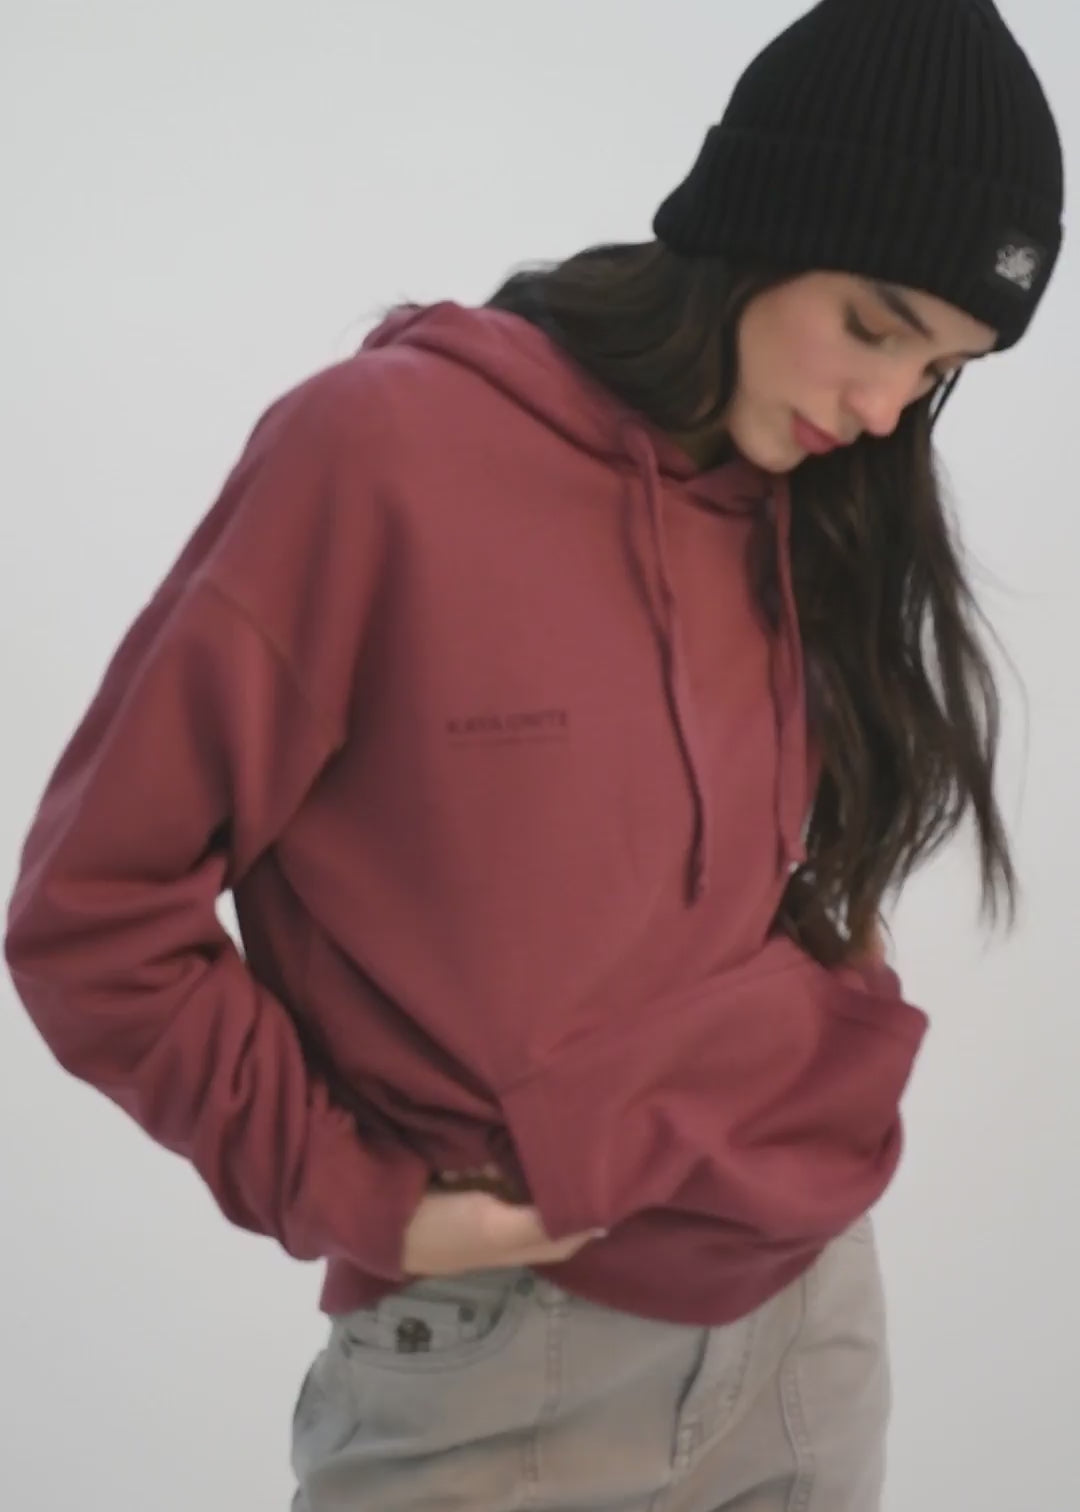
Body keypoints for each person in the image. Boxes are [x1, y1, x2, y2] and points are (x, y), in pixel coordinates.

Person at [4, 0, 1065, 1508]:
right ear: (760, 224)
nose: (888, 406)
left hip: (810, 1330)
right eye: (876, 325)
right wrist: (356, 1194)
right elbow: (94, 918)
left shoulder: (800, 486)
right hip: (497, 1367)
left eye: (943, 369)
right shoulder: (382, 454)